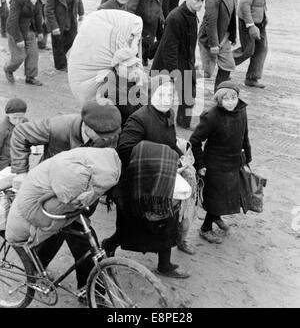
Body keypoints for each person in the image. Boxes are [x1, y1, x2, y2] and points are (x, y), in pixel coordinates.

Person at [8, 101, 122, 295]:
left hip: (79, 197)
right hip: (51, 194)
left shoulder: (108, 133)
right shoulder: (59, 127)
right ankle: (90, 288)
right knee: (80, 237)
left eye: (112, 135)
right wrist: (20, 172)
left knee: (65, 233)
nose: (109, 140)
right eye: (102, 136)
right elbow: (20, 134)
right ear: (87, 127)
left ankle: (40, 272)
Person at [103, 75, 192, 277]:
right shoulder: (139, 118)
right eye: (161, 93)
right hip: (138, 184)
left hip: (160, 180)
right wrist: (164, 158)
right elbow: (125, 149)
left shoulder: (168, 115)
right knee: (132, 227)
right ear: (151, 94)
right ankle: (108, 246)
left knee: (168, 220)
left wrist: (179, 157)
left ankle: (165, 265)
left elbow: (168, 143)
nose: (166, 98)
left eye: (170, 94)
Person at [189, 81, 252, 244]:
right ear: (219, 99)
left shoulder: (242, 110)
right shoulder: (212, 117)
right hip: (215, 165)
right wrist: (200, 164)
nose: (231, 102)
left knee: (227, 195)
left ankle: (216, 216)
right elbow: (194, 141)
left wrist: (248, 157)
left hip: (234, 162)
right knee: (215, 197)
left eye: (234, 97)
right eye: (226, 98)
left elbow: (245, 134)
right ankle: (205, 228)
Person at [68, 10, 145, 119]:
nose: (135, 70)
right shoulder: (114, 87)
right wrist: (139, 83)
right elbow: (136, 110)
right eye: (131, 67)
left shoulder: (116, 78)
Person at [151, 0, 208, 130]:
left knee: (189, 95)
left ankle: (183, 124)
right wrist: (173, 72)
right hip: (168, 64)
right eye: (198, 0)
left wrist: (194, 60)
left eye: (203, 1)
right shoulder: (175, 17)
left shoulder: (192, 15)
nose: (200, 4)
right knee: (160, 97)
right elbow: (169, 47)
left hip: (186, 61)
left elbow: (190, 42)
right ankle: (154, 124)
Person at [233, 0, 275, 89]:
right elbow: (244, 4)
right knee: (248, 50)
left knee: (262, 48)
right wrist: (250, 25)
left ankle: (252, 78)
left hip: (260, 18)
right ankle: (224, 65)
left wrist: (264, 15)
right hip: (247, 18)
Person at [199, 0, 238, 92]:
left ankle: (219, 93)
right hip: (210, 38)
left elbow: (232, 18)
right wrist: (213, 44)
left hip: (224, 37)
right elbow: (210, 23)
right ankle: (182, 79)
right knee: (207, 72)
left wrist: (233, 37)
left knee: (228, 65)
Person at [4, 0, 43, 86]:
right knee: (19, 57)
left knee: (33, 54)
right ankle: (8, 69)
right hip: (16, 31)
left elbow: (38, 15)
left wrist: (40, 31)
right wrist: (18, 39)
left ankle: (30, 77)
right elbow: (12, 21)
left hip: (30, 31)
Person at [126, 0, 168, 66]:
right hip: (143, 25)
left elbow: (159, 5)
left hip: (156, 23)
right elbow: (130, 9)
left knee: (162, 42)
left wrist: (162, 19)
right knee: (140, 53)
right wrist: (132, 28)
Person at [45, 0, 84, 71]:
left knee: (72, 39)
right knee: (57, 43)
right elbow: (49, 10)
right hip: (58, 22)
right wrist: (54, 27)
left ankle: (61, 54)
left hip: (71, 18)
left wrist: (81, 13)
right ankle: (60, 65)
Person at [0, 98, 27, 171]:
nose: (17, 121)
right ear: (8, 114)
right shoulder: (2, 129)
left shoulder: (26, 123)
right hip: (5, 164)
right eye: (14, 118)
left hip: (20, 159)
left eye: (20, 118)